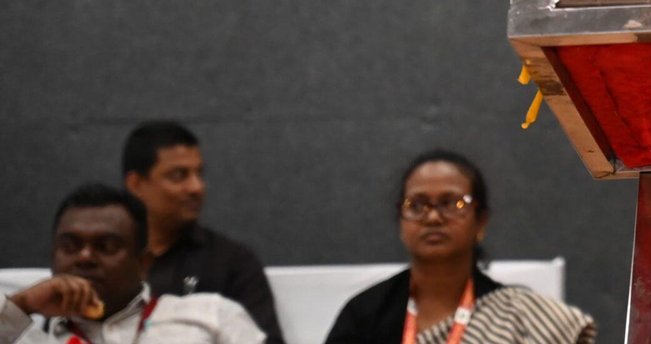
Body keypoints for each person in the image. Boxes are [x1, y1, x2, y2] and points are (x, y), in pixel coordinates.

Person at [323, 151, 594, 344]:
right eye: (416, 205)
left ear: (481, 221)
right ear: (400, 222)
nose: (432, 217)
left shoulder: (521, 318)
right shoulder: (365, 314)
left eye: (452, 203)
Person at [1, 184, 264, 344]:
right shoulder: (22, 335)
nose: (84, 257)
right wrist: (22, 305)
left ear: (143, 263)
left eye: (106, 246)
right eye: (70, 246)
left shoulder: (210, 315)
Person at [121, 122, 284, 344]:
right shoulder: (105, 262)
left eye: (199, 173)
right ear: (136, 184)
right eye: (179, 175)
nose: (196, 187)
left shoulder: (230, 263)